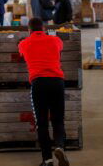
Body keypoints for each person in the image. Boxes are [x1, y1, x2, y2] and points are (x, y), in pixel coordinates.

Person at [18, 18, 70, 166]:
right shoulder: (55, 41)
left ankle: (47, 160)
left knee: (42, 123)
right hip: (57, 82)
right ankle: (60, 146)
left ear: (29, 31)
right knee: (58, 120)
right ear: (44, 29)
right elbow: (60, 47)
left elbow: (21, 52)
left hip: (39, 83)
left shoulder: (24, 43)